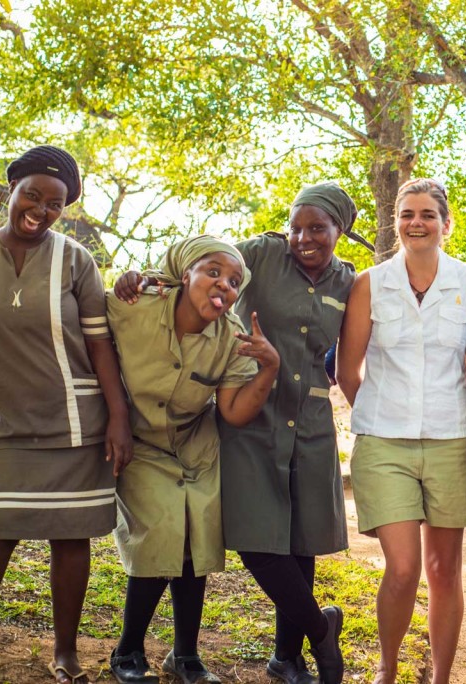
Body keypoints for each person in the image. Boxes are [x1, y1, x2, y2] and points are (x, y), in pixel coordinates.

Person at [114, 182, 370, 684]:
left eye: (317, 228)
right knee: (257, 540)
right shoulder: (261, 252)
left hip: (313, 424)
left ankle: (286, 657)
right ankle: (322, 631)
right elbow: (208, 267)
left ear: (342, 230)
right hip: (251, 415)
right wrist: (145, 277)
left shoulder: (350, 281)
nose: (303, 238)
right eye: (296, 226)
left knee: (301, 543)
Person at [0, 146, 133, 684]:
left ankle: (65, 655)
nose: (41, 209)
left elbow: (100, 345)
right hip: (5, 424)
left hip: (76, 424)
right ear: (12, 187)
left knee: (71, 538)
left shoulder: (75, 260)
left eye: (55, 203)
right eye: (33, 195)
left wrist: (117, 419)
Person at [337, 178, 466, 684]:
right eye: (407, 214)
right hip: (383, 445)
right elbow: (347, 369)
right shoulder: (369, 283)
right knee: (403, 568)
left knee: (444, 571)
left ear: (446, 224)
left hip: (451, 442)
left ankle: (441, 677)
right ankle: (388, 668)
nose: (416, 223)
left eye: (427, 214)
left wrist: (449, 409)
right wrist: (383, 414)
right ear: (396, 222)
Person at [105, 236, 280, 684]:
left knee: (195, 543)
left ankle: (185, 656)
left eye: (235, 281)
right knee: (159, 533)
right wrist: (115, 415)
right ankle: (128, 650)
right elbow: (94, 336)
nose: (224, 285)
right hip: (141, 442)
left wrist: (270, 370)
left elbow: (234, 413)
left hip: (195, 445)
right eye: (213, 272)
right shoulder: (136, 305)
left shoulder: (229, 337)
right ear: (186, 275)